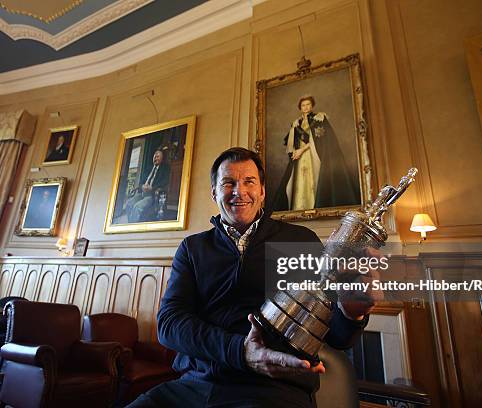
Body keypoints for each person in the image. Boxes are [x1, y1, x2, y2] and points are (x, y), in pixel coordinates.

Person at [127, 147, 382, 407]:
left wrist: (352, 315)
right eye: (228, 183)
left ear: (262, 191)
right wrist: (241, 351)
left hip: (275, 390)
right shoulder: (192, 248)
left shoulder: (300, 240)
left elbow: (338, 338)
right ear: (214, 192)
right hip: (194, 386)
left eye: (249, 182)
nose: (240, 192)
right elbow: (169, 325)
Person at [274, 96, 360, 211]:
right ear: (300, 108)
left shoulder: (319, 119)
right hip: (300, 158)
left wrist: (302, 150)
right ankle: (298, 208)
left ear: (312, 106)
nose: (306, 107)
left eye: (308, 104)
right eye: (303, 105)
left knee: (313, 178)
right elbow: (292, 143)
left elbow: (319, 140)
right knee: (297, 181)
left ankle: (314, 205)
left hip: (313, 154)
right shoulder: (296, 123)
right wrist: (295, 151)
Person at [126, 149, 170, 222]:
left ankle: (132, 228)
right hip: (142, 193)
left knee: (137, 207)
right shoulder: (148, 168)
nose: (155, 158)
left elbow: (164, 182)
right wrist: (142, 186)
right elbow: (141, 181)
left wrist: (152, 188)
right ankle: (130, 224)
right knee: (129, 204)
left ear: (162, 159)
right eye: (154, 156)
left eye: (158, 156)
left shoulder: (164, 169)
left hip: (151, 195)